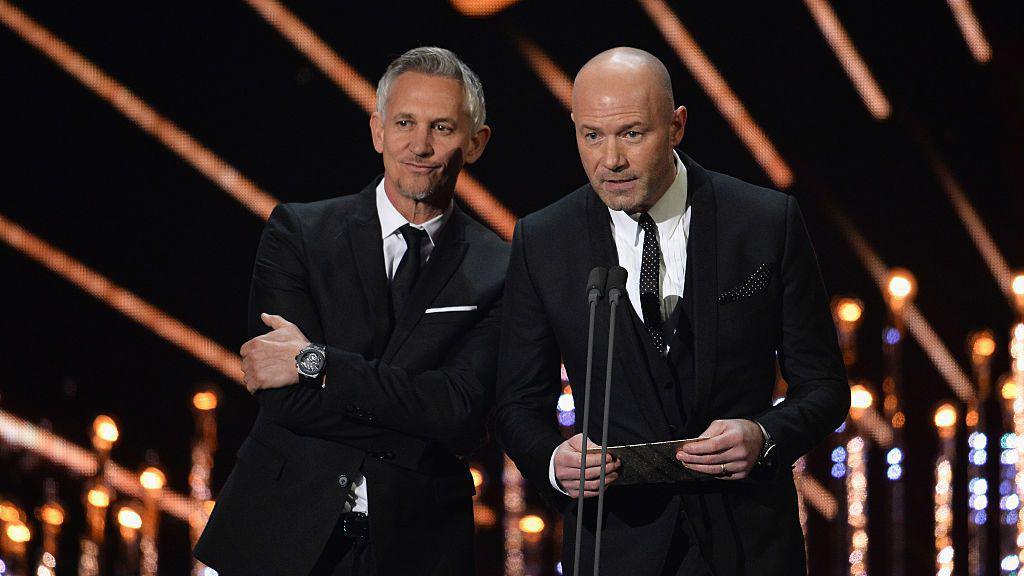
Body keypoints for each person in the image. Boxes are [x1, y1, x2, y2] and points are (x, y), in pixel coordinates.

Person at [495, 47, 849, 575]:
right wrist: (553, 460)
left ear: (677, 126)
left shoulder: (764, 221)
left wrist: (764, 435)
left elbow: (824, 387)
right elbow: (517, 403)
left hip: (746, 544)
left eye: (632, 134)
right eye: (591, 135)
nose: (610, 159)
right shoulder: (543, 239)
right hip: (613, 547)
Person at [194, 46, 507, 576]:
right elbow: (284, 399)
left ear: (475, 143)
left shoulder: (500, 267)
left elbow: (461, 415)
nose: (421, 145)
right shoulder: (299, 232)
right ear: (378, 131)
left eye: (443, 127)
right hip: (278, 534)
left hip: (419, 547)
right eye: (405, 122)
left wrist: (318, 364)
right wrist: (415, 429)